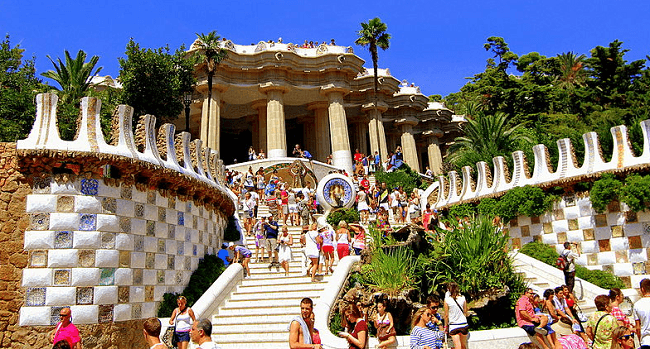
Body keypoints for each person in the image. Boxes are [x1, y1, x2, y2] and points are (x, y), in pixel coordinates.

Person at [444, 282, 469, 349]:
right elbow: (465, 311)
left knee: (457, 346)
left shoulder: (447, 300)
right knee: (463, 346)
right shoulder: (463, 298)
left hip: (454, 325)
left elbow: (446, 315)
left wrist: (446, 326)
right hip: (463, 324)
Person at [634, 278, 650, 348]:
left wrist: (640, 340)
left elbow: (638, 327)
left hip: (645, 340)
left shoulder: (637, 305)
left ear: (642, 289)